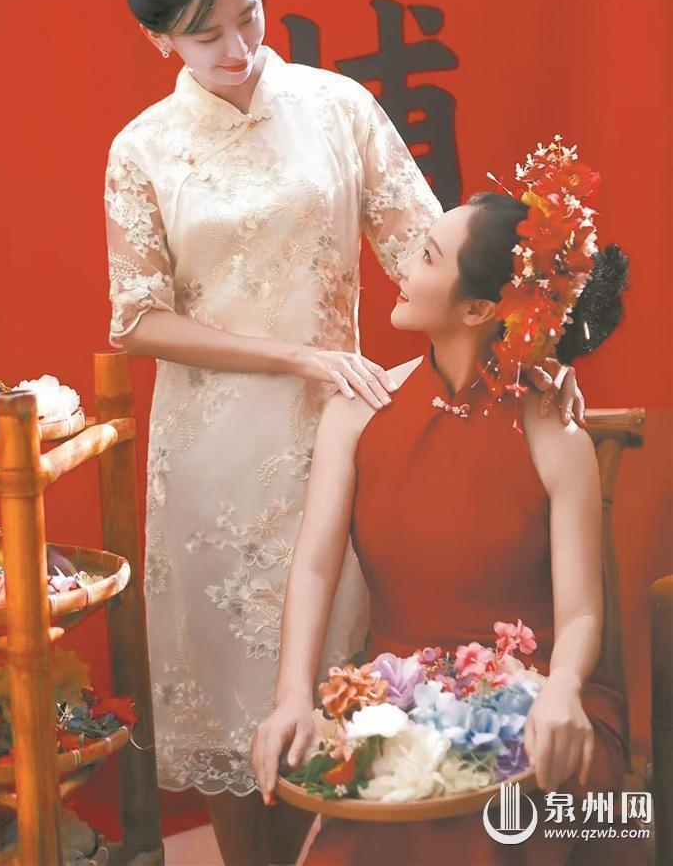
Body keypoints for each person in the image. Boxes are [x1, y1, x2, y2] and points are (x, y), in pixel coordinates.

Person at [107, 0, 584, 866]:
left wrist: (533, 349)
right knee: (237, 737)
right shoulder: (142, 151)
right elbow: (138, 319)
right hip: (211, 468)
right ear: (159, 40)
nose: (239, 48)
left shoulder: (336, 108)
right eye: (205, 36)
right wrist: (296, 354)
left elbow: (438, 255)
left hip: (342, 443)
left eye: (248, 16)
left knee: (343, 717)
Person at [252, 174, 644, 864]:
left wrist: (561, 689)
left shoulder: (553, 427)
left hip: (545, 701)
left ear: (479, 308)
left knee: (489, 828)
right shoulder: (357, 411)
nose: (404, 267)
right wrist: (291, 698)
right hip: (396, 702)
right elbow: (313, 567)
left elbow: (582, 611)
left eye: (428, 256)